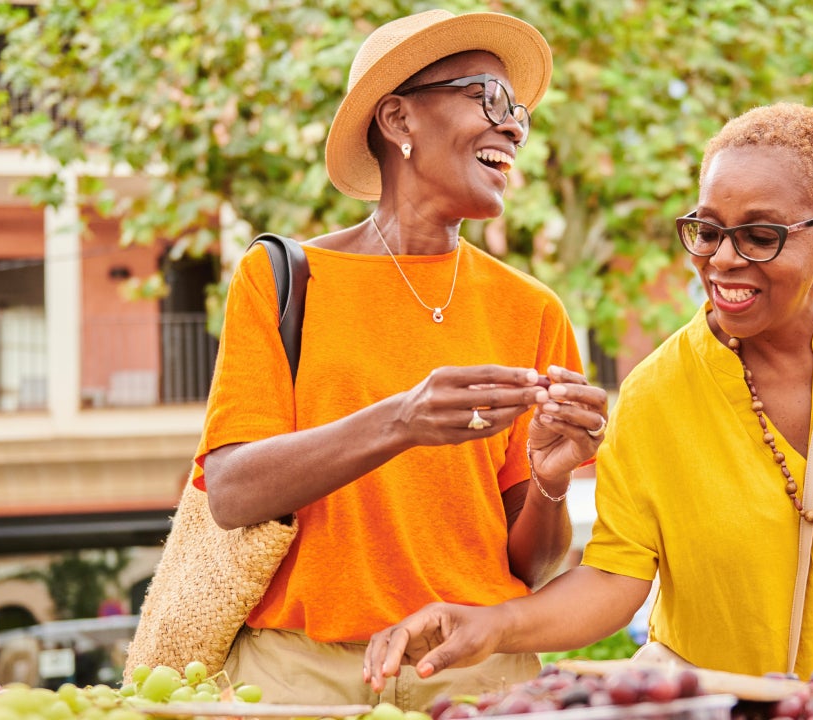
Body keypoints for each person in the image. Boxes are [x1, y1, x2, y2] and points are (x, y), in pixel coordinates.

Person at [363, 103, 813, 685]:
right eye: (707, 231)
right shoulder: (653, 394)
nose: (723, 259)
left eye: (760, 236)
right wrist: (493, 626)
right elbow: (616, 578)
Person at [193, 8, 608, 711]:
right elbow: (232, 493)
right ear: (397, 120)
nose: (512, 126)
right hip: (303, 679)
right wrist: (404, 420)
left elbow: (527, 569)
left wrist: (548, 482)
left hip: (478, 675)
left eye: (521, 115)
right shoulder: (282, 280)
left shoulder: (532, 309)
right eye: (489, 97)